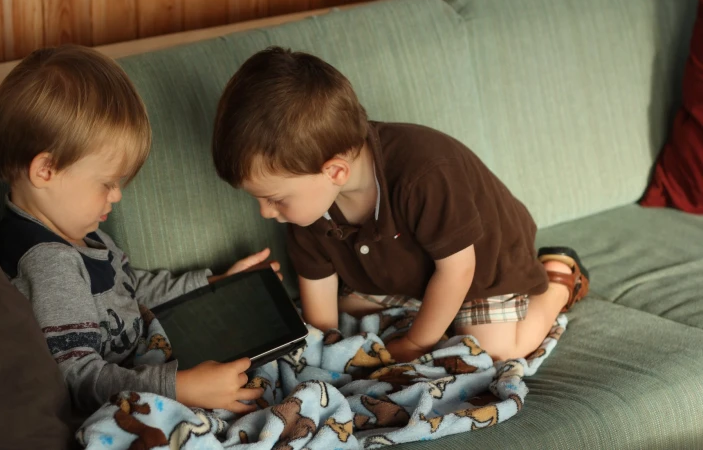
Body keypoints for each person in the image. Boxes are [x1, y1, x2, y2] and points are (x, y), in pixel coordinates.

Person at [211, 46, 589, 363]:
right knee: (349, 312)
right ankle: (431, 308)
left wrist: (416, 344)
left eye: (274, 199)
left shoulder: (423, 172)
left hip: (481, 264)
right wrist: (325, 348)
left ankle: (556, 279)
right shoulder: (311, 204)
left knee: (493, 352)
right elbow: (321, 313)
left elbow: (457, 271)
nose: (265, 212)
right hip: (404, 269)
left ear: (335, 171)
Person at [0, 44, 270, 414]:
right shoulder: (49, 264)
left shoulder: (77, 232)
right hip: (124, 402)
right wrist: (179, 388)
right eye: (107, 183)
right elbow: (78, 378)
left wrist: (210, 285)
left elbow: (130, 288)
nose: (117, 195)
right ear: (46, 170)